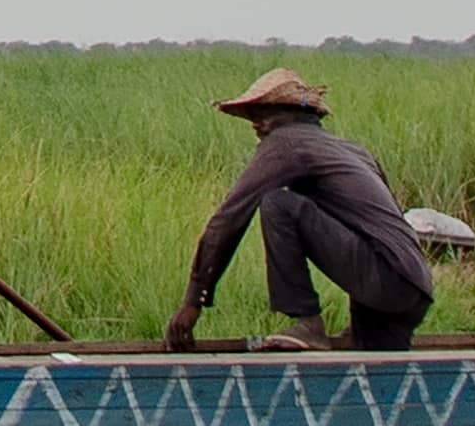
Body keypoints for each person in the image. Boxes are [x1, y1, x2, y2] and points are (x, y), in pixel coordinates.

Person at [167, 69, 436, 352]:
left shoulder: (286, 142)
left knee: (278, 204)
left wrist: (193, 301)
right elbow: (371, 226)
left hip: (384, 279)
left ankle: (308, 323)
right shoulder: (353, 151)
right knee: (377, 373)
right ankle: (360, 332)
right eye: (253, 116)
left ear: (292, 113)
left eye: (264, 113)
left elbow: (229, 219)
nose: (256, 124)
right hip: (414, 288)